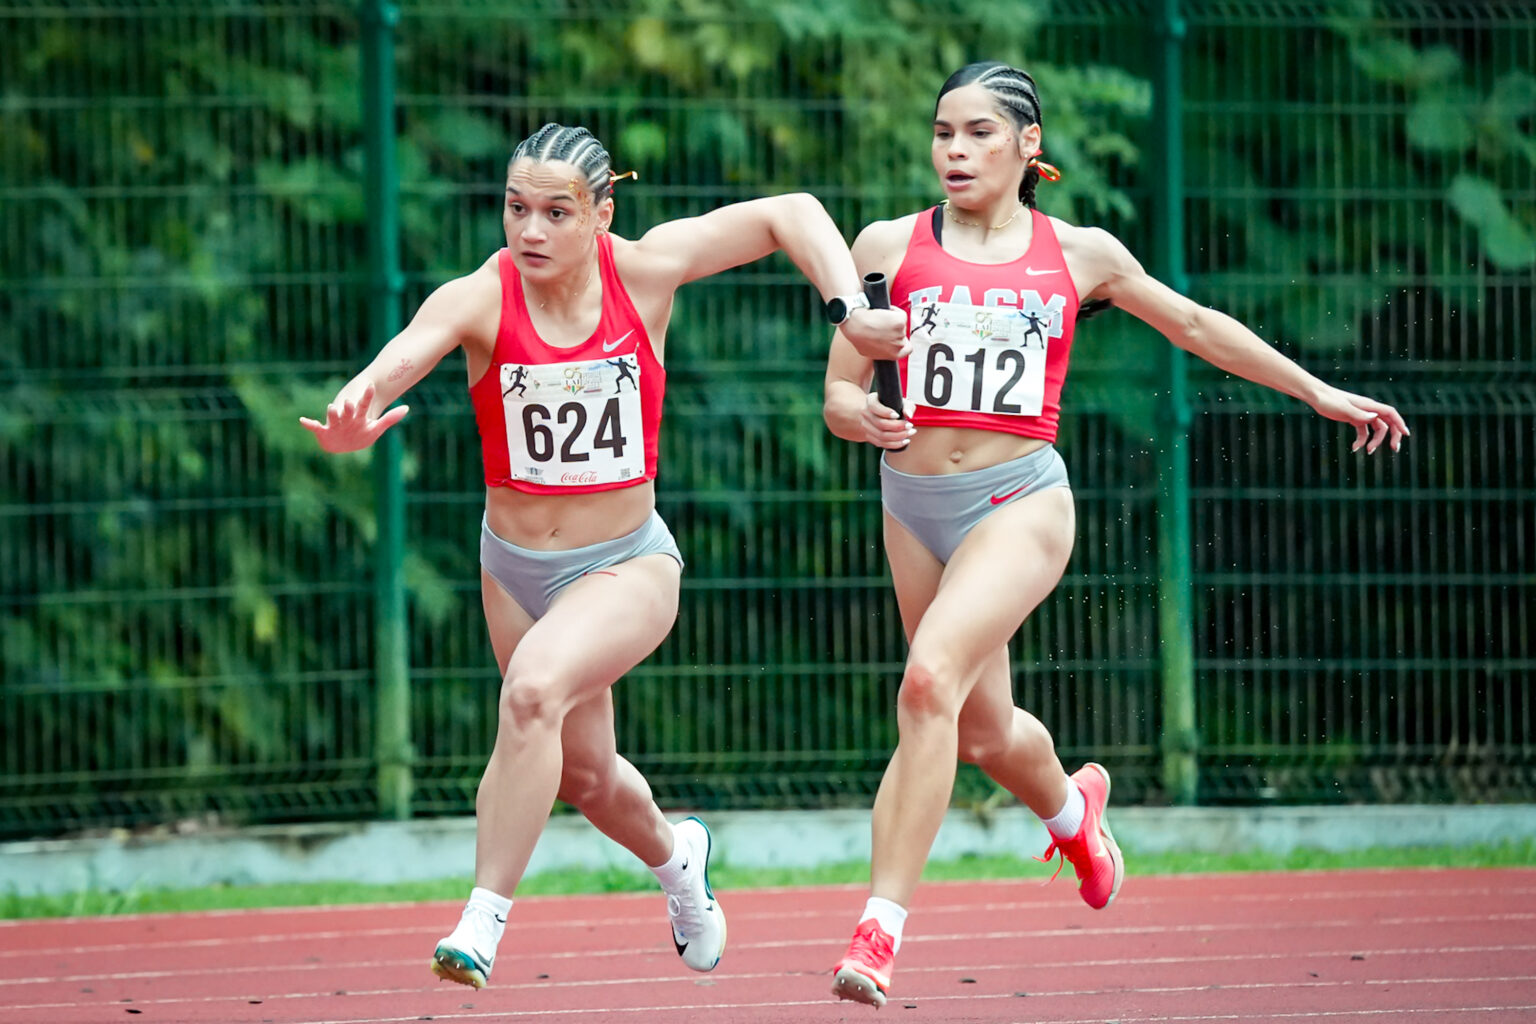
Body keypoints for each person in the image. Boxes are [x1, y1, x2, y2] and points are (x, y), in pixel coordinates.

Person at [821, 61, 1409, 1008]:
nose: (955, 151)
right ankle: (1072, 812)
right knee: (977, 729)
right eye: (942, 133)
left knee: (927, 682)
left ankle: (877, 933)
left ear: (1028, 145)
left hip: (1021, 504)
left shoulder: (1079, 254)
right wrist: (861, 415)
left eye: (977, 133)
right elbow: (839, 390)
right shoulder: (888, 243)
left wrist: (1315, 390)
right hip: (911, 505)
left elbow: (1195, 324)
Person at [301, 122, 906, 990]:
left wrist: (851, 311)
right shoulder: (479, 295)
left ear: (601, 214)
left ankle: (481, 923)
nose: (531, 232)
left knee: (533, 689)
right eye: (517, 209)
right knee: (586, 774)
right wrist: (355, 408)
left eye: (557, 212)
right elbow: (400, 358)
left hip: (628, 567)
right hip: (512, 569)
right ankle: (678, 860)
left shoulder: (647, 269)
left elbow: (793, 213)